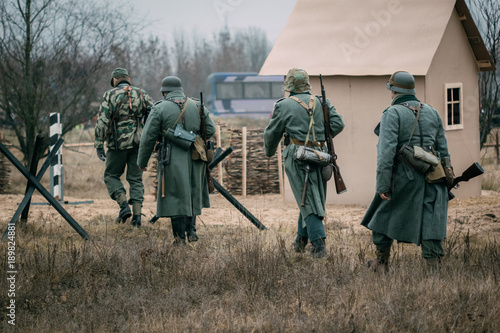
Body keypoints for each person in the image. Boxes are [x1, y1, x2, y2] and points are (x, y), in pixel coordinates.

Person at [361, 71, 454, 271]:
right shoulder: (433, 112)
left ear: (393, 91)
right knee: (431, 222)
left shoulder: (391, 113)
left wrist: (383, 185)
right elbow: (444, 152)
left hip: (402, 178)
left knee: (382, 216)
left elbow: (385, 154)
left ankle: (381, 262)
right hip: (433, 177)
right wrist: (447, 179)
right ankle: (433, 269)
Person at [264, 68, 345, 258]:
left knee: (307, 199)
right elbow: (338, 124)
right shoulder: (321, 101)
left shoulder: (283, 105)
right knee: (309, 197)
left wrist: (269, 151)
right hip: (320, 155)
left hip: (297, 155)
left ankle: (319, 247)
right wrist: (321, 138)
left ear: (289, 86)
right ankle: (300, 243)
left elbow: (272, 133)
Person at [137, 76, 216, 245]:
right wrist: (193, 136)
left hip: (171, 156)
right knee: (192, 192)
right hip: (196, 155)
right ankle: (191, 230)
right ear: (180, 89)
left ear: (165, 92)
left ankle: (179, 239)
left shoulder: (159, 108)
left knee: (175, 195)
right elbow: (210, 129)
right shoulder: (197, 105)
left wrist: (142, 161)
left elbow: (148, 137)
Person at [94, 67, 153, 227]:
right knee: (135, 179)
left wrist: (99, 144)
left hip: (117, 144)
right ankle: (138, 216)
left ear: (114, 80)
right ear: (128, 79)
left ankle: (124, 206)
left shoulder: (110, 94)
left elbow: (102, 121)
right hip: (138, 143)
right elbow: (154, 115)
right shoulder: (142, 93)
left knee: (111, 175)